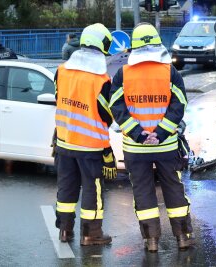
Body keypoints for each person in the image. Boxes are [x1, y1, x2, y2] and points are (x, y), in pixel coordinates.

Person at [109, 23, 194, 252]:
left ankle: (152, 241)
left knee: (143, 193)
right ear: (157, 43)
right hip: (165, 145)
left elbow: (116, 106)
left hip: (136, 149)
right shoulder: (169, 71)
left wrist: (138, 134)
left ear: (133, 47)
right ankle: (183, 236)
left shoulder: (123, 74)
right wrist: (161, 133)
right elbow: (180, 104)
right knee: (173, 189)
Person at [54, 23, 117, 246]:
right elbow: (107, 114)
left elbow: (58, 100)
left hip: (64, 141)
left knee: (66, 188)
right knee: (92, 189)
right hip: (90, 146)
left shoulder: (62, 70)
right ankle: (91, 234)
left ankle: (64, 231)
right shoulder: (101, 80)